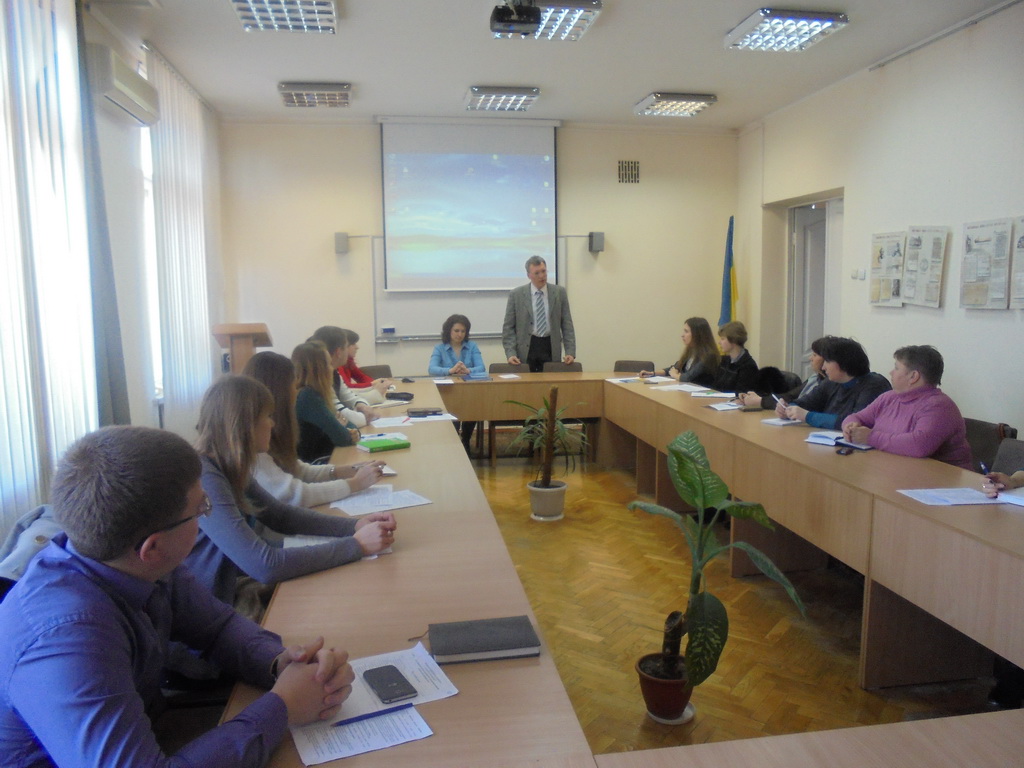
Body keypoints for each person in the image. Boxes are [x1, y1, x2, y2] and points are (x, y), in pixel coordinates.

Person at [0, 425, 354, 767]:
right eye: (202, 509)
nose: (205, 517)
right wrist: (283, 707)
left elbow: (217, 627)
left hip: (149, 730)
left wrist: (278, 663)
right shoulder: (66, 639)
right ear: (152, 548)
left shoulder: (135, 560)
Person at [188, 375, 396, 612]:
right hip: (216, 607)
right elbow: (265, 565)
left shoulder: (228, 464)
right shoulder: (206, 478)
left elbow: (281, 516)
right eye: (267, 416)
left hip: (229, 590)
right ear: (245, 424)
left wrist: (355, 526)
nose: (272, 423)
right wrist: (356, 545)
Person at [243, 351, 384, 507]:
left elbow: (297, 469)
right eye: (293, 384)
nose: (295, 389)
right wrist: (355, 483)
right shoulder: (256, 442)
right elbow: (294, 495)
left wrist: (349, 470)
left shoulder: (271, 428)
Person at [841, 345, 972, 469]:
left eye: (896, 368)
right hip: (893, 469)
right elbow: (858, 417)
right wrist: (850, 426)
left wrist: (870, 438)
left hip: (941, 479)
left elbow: (918, 446)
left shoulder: (939, 406)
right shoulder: (889, 397)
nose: (891, 372)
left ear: (913, 376)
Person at [773, 337, 891, 429]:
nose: (823, 367)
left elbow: (856, 423)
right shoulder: (831, 382)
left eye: (827, 362)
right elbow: (805, 403)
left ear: (843, 362)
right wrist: (787, 409)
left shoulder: (874, 385)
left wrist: (807, 416)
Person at [502, 255, 576, 372]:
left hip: (550, 345)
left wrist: (570, 352)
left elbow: (567, 325)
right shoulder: (516, 295)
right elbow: (508, 328)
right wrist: (511, 353)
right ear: (529, 275)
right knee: (526, 382)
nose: (541, 276)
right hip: (527, 347)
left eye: (543, 271)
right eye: (537, 273)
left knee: (550, 380)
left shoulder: (559, 293)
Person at [294, 341, 361, 462]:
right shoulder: (309, 397)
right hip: (317, 463)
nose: (332, 369)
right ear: (319, 370)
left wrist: (347, 429)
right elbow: (344, 438)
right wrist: (344, 428)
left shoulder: (315, 393)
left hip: (327, 458)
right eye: (329, 364)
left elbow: (351, 427)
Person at [429, 314, 485, 449]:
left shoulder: (472, 346)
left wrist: (468, 370)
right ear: (449, 331)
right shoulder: (439, 348)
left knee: (473, 409)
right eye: (456, 331)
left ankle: (465, 441)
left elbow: (482, 367)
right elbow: (432, 369)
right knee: (452, 411)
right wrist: (450, 370)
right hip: (449, 391)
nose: (460, 334)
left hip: (469, 391)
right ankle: (454, 442)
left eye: (463, 331)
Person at [308, 326, 378, 425]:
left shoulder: (334, 372)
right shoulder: (318, 377)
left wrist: (362, 405)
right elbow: (340, 414)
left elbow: (349, 396)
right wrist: (367, 416)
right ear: (338, 352)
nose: (357, 347)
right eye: (346, 346)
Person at [738, 336, 831, 409]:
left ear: (826, 359)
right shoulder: (814, 378)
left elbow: (805, 405)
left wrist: (761, 401)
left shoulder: (830, 384)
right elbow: (790, 396)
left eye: (815, 355)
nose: (810, 358)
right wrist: (758, 397)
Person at [640, 317, 719, 388]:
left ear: (697, 334)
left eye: (686, 331)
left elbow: (687, 377)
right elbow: (674, 368)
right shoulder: (691, 352)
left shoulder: (709, 355)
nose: (682, 335)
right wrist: (652, 373)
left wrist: (675, 375)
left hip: (702, 394)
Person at [338, 329, 391, 404]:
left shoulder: (349, 361)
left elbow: (361, 377)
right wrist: (373, 384)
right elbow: (347, 387)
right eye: (353, 344)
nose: (357, 347)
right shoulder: (337, 365)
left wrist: (377, 383)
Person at [712, 321, 758, 394]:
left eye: (723, 339)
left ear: (733, 340)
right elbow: (715, 387)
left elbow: (741, 394)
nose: (719, 342)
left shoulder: (748, 366)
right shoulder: (724, 361)